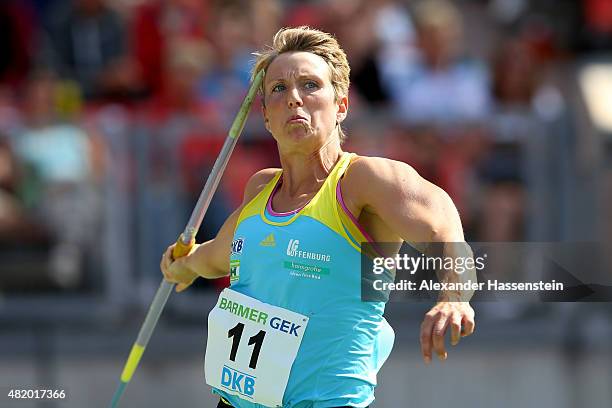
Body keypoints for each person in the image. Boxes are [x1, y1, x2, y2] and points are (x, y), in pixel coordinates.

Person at [161, 26, 476, 408]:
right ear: (264, 115)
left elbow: (442, 223)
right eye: (278, 89)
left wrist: (454, 297)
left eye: (310, 85)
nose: (294, 98)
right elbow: (216, 256)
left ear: (341, 104)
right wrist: (184, 265)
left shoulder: (362, 181)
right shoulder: (260, 190)